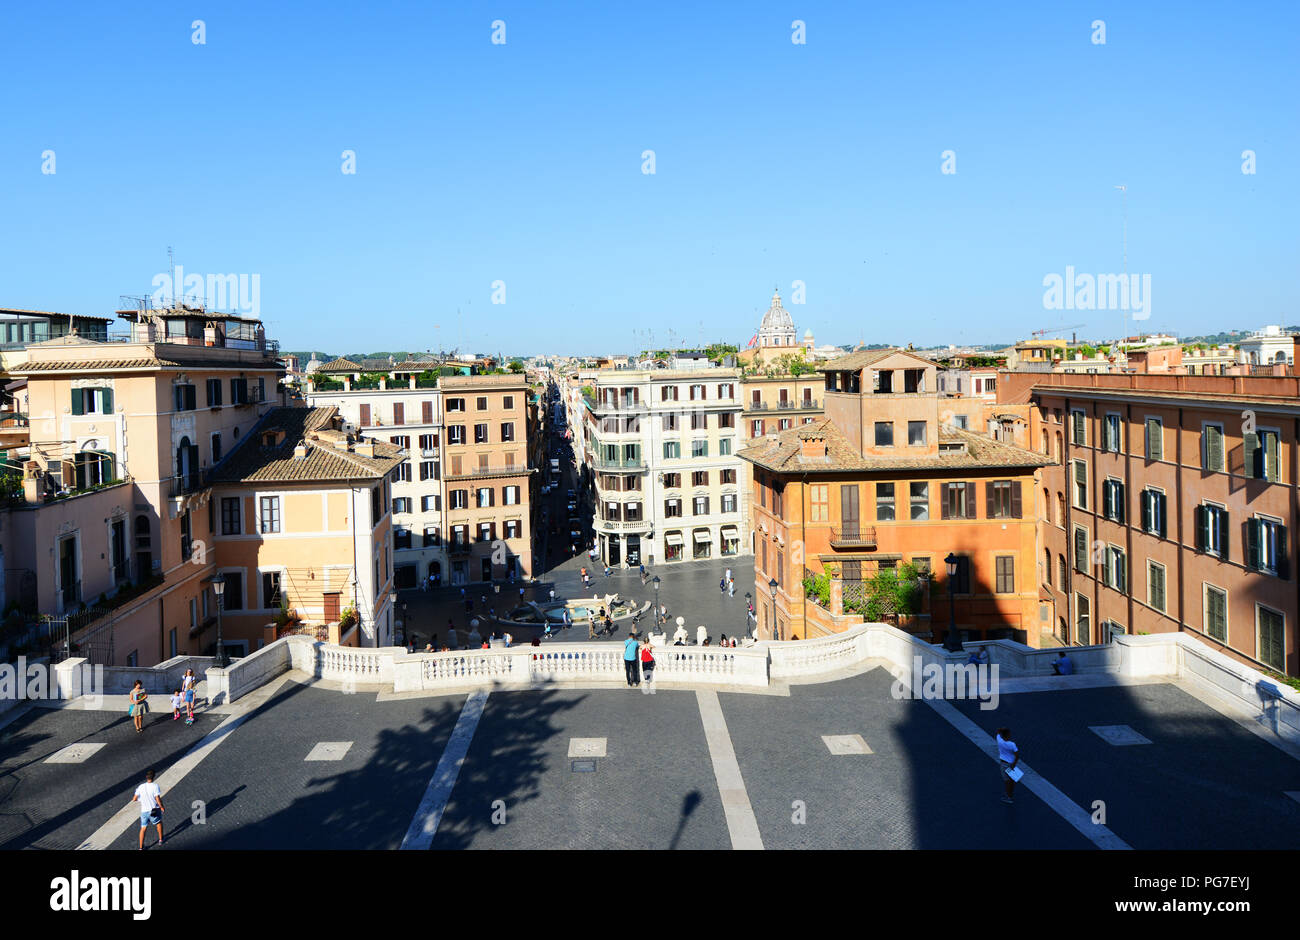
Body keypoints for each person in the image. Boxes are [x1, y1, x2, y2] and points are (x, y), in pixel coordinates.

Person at [133, 769, 165, 850]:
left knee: (143, 829)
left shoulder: (141, 787)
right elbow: (157, 798)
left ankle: (140, 847)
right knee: (158, 823)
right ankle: (161, 840)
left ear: (146, 777)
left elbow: (134, 799)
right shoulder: (155, 786)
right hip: (153, 810)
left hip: (144, 811)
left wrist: (141, 799)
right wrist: (161, 806)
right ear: (153, 777)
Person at [996, 727, 1020, 803]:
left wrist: (1001, 730)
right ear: (1008, 735)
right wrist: (1013, 764)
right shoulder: (1012, 744)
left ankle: (1008, 797)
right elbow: (1017, 755)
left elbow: (998, 731)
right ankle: (1010, 795)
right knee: (1012, 780)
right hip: (1011, 764)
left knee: (1007, 781)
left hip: (1004, 765)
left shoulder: (999, 740)